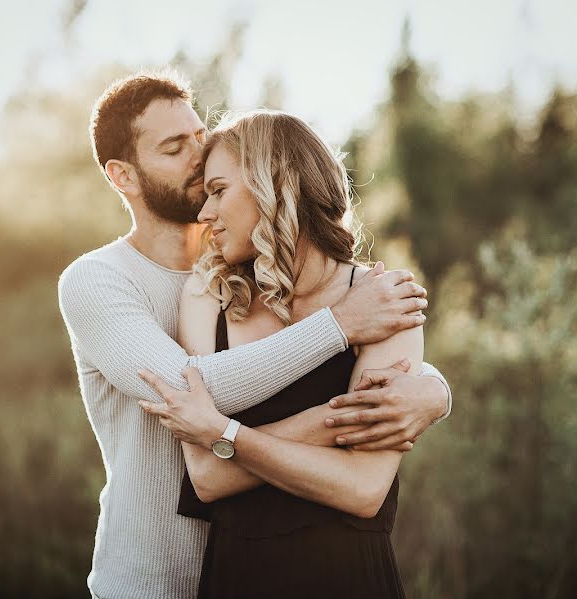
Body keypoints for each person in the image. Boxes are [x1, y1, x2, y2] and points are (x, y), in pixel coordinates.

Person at [57, 70, 452, 599]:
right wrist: (340, 338)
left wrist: (433, 390)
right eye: (175, 148)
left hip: (250, 568)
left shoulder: (239, 271)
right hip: (154, 581)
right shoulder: (100, 280)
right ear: (122, 176)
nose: (198, 160)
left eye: (200, 138)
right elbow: (190, 393)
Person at [138, 109, 427, 598]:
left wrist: (225, 434)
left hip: (349, 579)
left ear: (274, 185)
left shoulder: (383, 297)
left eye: (218, 191)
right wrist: (337, 420)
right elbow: (207, 476)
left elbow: (362, 489)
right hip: (238, 576)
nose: (203, 215)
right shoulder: (208, 299)